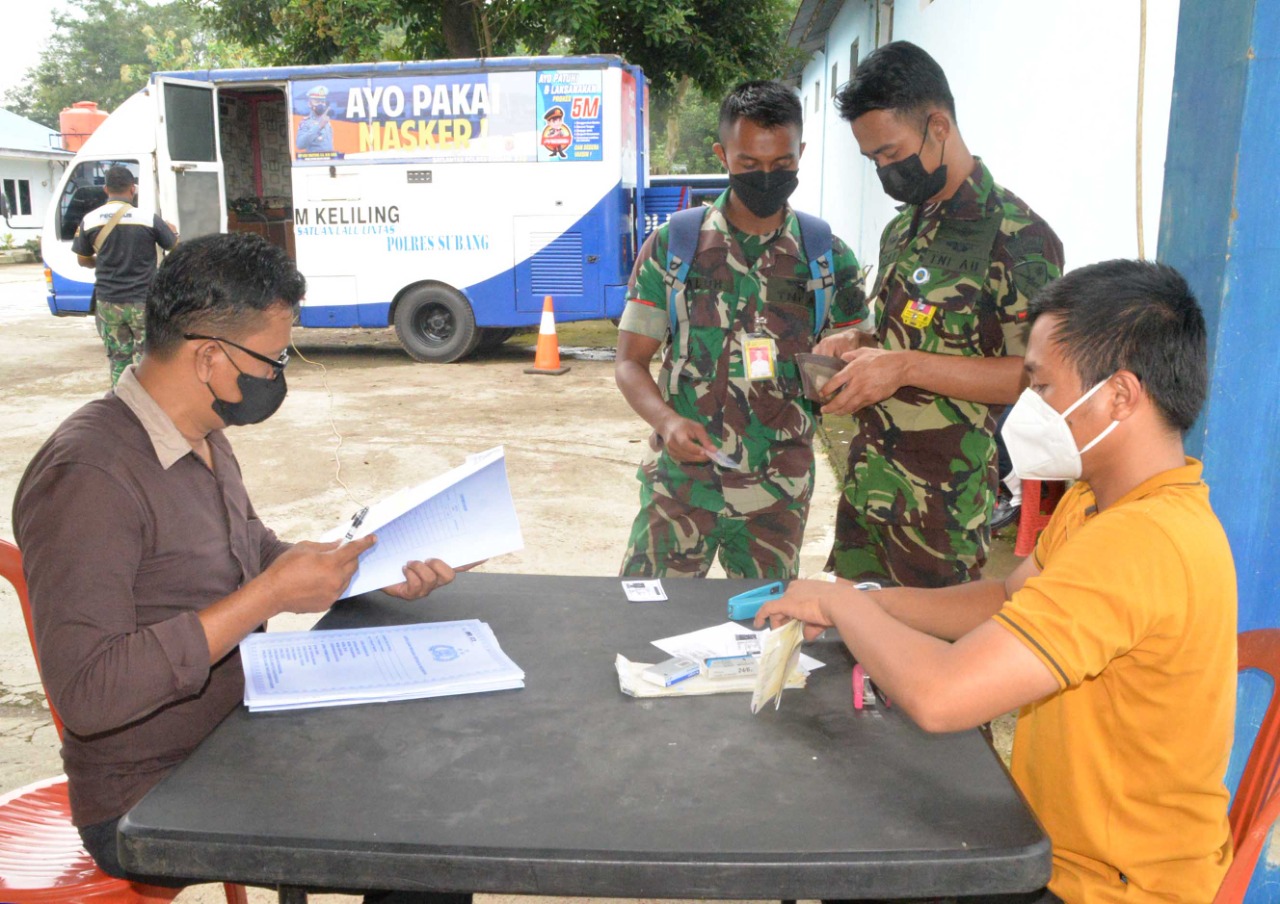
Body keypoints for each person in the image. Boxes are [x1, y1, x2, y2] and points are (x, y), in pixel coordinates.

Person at [757, 260, 1236, 902]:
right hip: (1053, 843)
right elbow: (1006, 598)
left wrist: (844, 605)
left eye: (1041, 387)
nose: (1028, 408)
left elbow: (942, 696)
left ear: (1119, 395)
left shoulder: (1140, 543)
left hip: (1104, 886)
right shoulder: (1101, 503)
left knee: (840, 869)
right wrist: (874, 602)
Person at [14, 233, 468, 904]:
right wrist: (265, 598)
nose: (278, 373)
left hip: (233, 731)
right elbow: (88, 693)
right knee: (424, 848)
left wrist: (357, 566)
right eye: (274, 356)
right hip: (147, 792)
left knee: (429, 768)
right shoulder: (90, 478)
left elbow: (251, 548)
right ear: (208, 356)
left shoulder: (199, 434)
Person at [817, 41, 1064, 588]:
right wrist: (855, 343)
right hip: (867, 494)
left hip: (940, 517)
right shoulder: (903, 228)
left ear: (939, 126)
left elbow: (1036, 378)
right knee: (847, 657)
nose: (884, 170)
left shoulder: (1018, 236)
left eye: (889, 152)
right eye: (872, 159)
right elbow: (903, 334)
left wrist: (904, 367)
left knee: (924, 663)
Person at [616, 80, 869, 579]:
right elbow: (628, 362)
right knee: (644, 621)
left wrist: (852, 355)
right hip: (678, 488)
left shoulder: (827, 256)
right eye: (749, 165)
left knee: (762, 639)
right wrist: (666, 422)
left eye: (782, 164)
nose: (767, 177)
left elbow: (861, 356)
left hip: (776, 495)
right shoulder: (675, 246)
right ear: (722, 155)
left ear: (801, 153)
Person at [71, 165, 178, 385]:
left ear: (106, 189)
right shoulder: (148, 218)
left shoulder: (90, 220)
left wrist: (98, 261)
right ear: (132, 189)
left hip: (109, 301)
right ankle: (145, 403)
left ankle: (120, 403)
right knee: (146, 358)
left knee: (118, 358)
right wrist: (173, 231)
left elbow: (82, 259)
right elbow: (174, 247)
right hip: (143, 300)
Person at [296, 85, 334, 153]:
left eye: (322, 102)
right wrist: (319, 126)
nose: (320, 104)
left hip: (329, 160)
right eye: (317, 102)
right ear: (309, 104)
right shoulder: (306, 122)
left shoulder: (327, 121)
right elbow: (300, 145)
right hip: (315, 161)